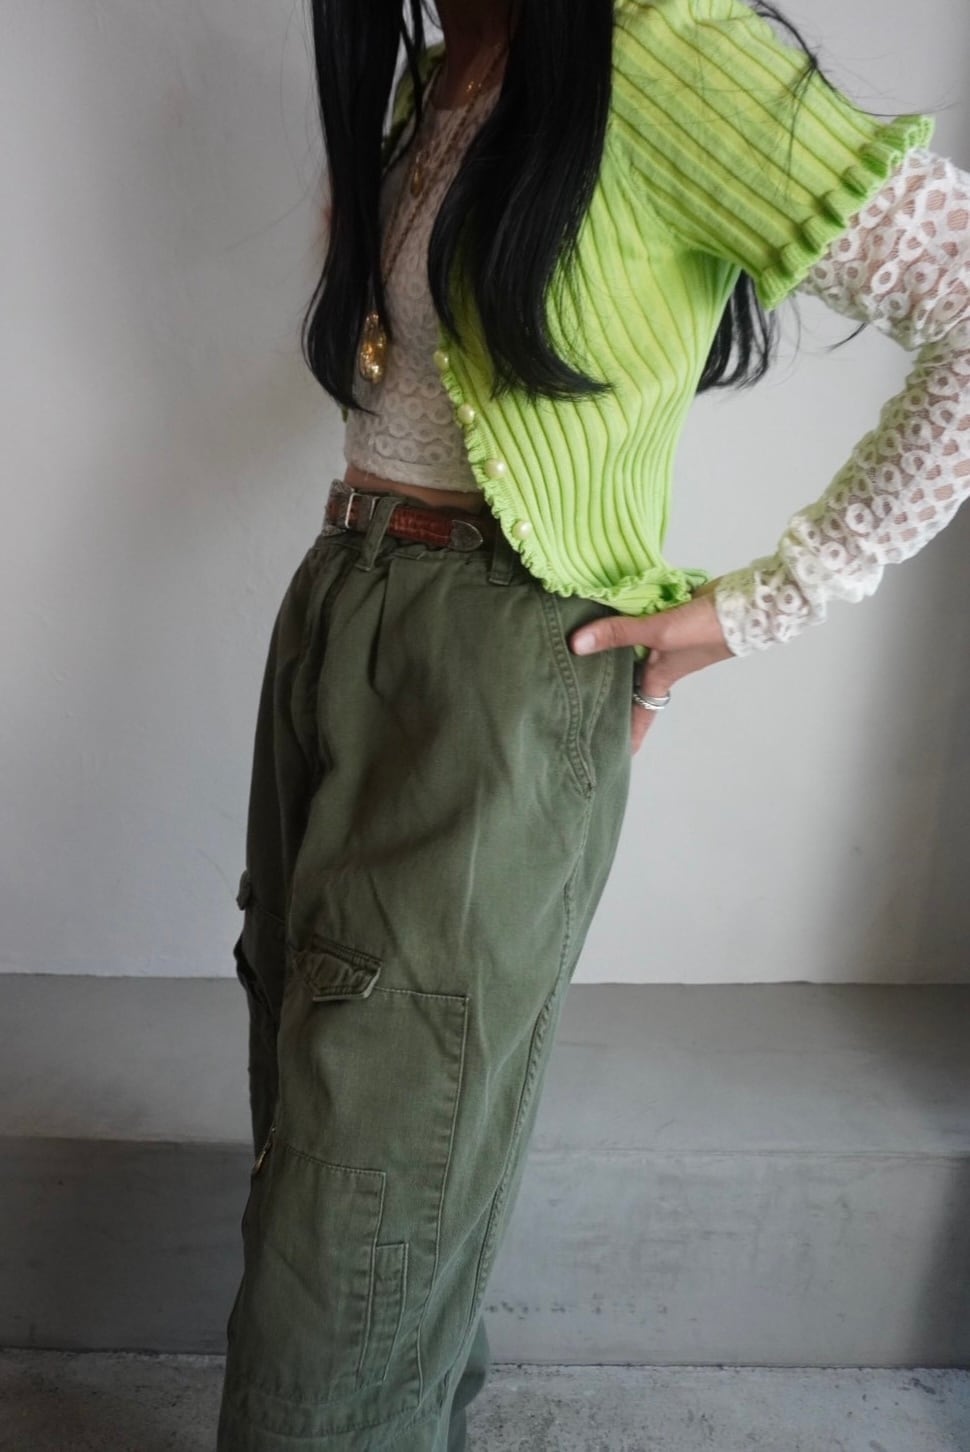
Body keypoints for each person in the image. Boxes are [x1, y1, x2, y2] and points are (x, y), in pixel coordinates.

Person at [216, 0, 968, 1446]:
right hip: (340, 603)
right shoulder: (441, 73)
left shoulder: (668, 49)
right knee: (324, 1122)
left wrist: (769, 600)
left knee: (368, 1164)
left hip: (493, 647)